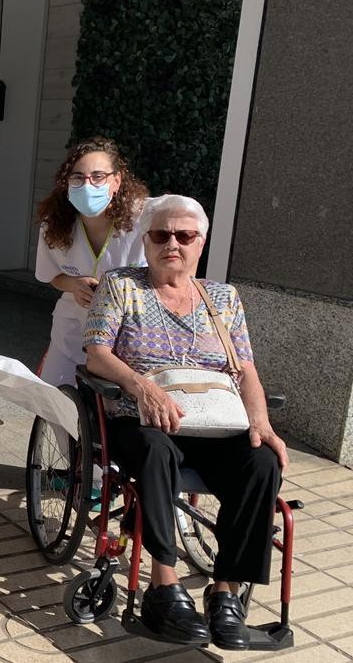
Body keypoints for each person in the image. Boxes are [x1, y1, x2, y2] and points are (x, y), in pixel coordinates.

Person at [84, 194, 288, 650]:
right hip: (142, 418)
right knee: (155, 452)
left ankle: (225, 592)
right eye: (161, 235)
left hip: (215, 422)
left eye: (184, 235)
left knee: (261, 462)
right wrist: (142, 387)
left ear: (202, 242)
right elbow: (96, 354)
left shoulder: (223, 298)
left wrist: (261, 422)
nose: (171, 244)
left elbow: (246, 369)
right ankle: (164, 584)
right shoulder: (122, 286)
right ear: (146, 241)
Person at [35, 136, 149, 388]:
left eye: (98, 176)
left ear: (116, 181)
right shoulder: (54, 225)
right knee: (55, 400)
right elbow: (50, 275)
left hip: (127, 334)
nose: (87, 185)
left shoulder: (143, 220)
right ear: (67, 183)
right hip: (73, 330)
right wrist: (74, 284)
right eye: (78, 177)